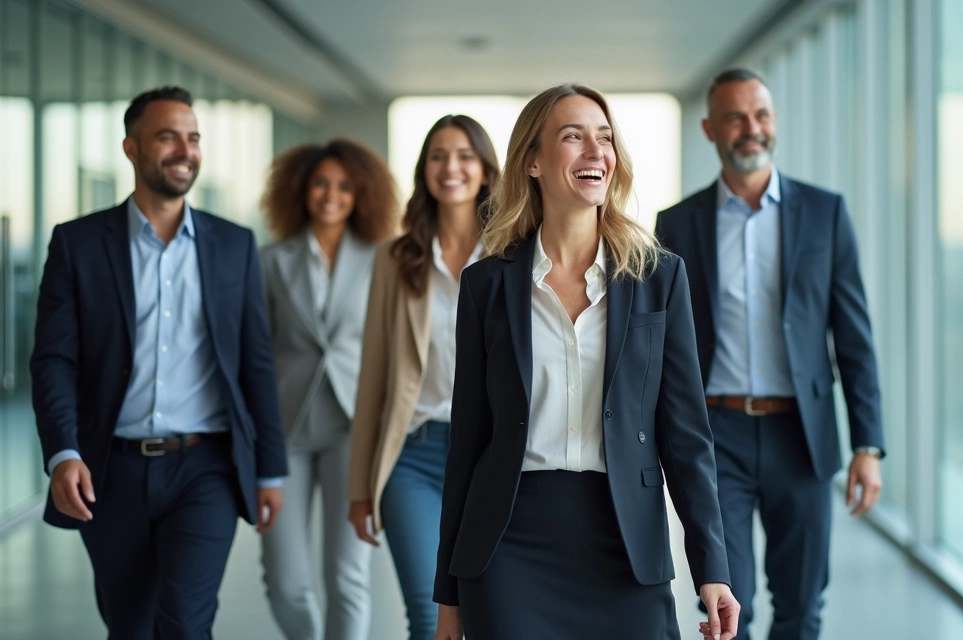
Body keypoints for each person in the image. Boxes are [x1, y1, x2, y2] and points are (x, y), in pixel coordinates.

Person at [431, 83, 741, 640]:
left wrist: (712, 569)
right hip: (508, 543)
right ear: (532, 161)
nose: (595, 152)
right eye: (573, 137)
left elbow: (687, 437)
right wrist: (447, 597)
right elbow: (469, 443)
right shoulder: (486, 285)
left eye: (605, 138)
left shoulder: (659, 278)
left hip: (625, 540)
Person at [29, 85, 288, 639]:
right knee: (129, 625)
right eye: (167, 136)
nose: (184, 149)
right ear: (131, 148)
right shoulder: (77, 244)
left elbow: (256, 363)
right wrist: (63, 453)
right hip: (109, 469)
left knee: (186, 623)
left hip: (205, 468)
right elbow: (53, 359)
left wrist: (269, 468)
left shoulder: (233, 245)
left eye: (193, 137)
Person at [654, 68, 885, 640]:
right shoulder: (676, 224)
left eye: (760, 115)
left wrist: (868, 444)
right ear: (710, 128)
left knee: (802, 605)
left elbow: (852, 333)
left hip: (800, 436)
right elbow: (660, 346)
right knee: (729, 606)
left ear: (774, 121)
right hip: (716, 435)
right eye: (735, 117)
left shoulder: (824, 213)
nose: (750, 128)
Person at [346, 115, 500, 640]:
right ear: (423, 169)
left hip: (492, 455)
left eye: (463, 155)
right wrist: (360, 486)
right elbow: (375, 376)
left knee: (489, 610)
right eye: (437, 155)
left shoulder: (514, 252)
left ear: (485, 170)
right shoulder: (396, 258)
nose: (450, 167)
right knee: (429, 613)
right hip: (413, 454)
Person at [258, 139, 399, 640]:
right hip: (284, 430)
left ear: (362, 193)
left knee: (347, 577)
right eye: (321, 183)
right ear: (301, 189)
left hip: (353, 429)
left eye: (344, 185)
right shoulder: (270, 261)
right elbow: (257, 352)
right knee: (287, 582)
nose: (331, 195)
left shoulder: (383, 259)